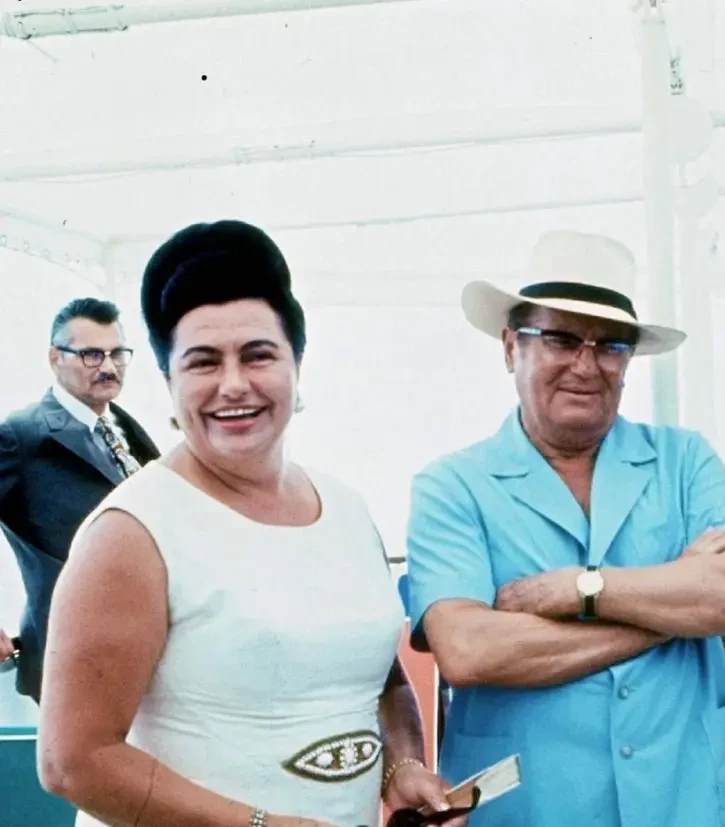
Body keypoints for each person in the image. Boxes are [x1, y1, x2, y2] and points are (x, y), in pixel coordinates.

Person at [37, 221, 464, 827]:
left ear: (297, 364)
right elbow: (73, 762)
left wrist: (404, 767)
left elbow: (377, 678)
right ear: (169, 382)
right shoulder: (132, 533)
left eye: (258, 355)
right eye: (203, 362)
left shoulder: (346, 509)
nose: (233, 384)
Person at [406, 230, 725, 827]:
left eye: (610, 346)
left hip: (686, 807)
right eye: (561, 339)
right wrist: (673, 610)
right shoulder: (452, 486)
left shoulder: (684, 460)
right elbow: (468, 650)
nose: (585, 365)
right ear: (510, 346)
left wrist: (579, 589)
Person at [0, 297, 160, 702]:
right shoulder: (22, 434)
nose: (109, 367)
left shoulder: (125, 427)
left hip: (149, 650)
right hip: (72, 657)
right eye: (91, 355)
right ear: (56, 358)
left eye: (117, 353)